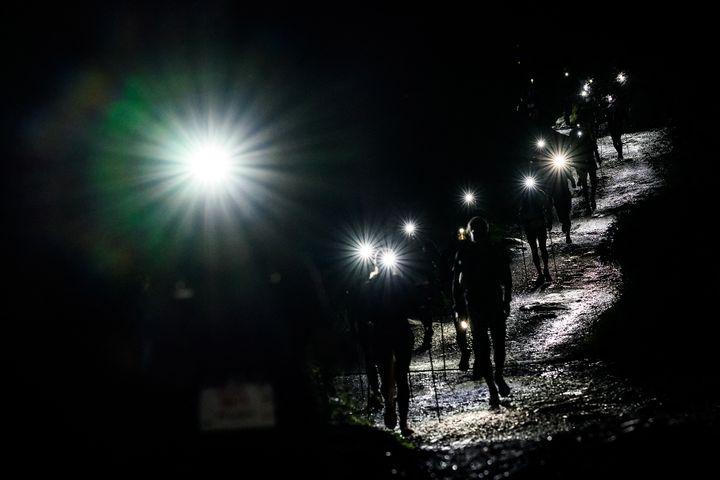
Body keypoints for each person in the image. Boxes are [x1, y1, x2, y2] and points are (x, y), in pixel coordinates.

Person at [451, 216, 513, 407]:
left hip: (493, 300)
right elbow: (456, 280)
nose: (476, 233)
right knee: (482, 348)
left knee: (499, 344)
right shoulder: (464, 252)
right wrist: (457, 304)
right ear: (471, 232)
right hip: (475, 304)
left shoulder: (495, 250)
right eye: (474, 230)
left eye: (479, 230)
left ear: (485, 231)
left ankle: (499, 375)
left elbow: (507, 276)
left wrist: (506, 300)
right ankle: (492, 387)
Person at [362, 249, 418, 436]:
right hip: (385, 333)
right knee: (388, 378)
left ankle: (402, 420)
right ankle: (390, 408)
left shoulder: (398, 283)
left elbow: (412, 305)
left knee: (400, 378)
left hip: (395, 332)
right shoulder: (372, 285)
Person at [519, 175, 554, 285]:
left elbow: (548, 205)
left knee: (540, 249)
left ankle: (544, 271)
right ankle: (542, 271)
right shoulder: (530, 196)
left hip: (535, 224)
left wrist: (549, 219)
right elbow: (548, 205)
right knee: (537, 249)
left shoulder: (535, 195)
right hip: (535, 224)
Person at [570, 123, 601, 214]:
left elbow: (594, 145)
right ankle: (587, 203)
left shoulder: (587, 132)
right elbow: (571, 148)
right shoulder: (572, 134)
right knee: (584, 184)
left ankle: (592, 198)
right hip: (581, 162)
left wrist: (597, 156)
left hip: (589, 159)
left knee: (594, 181)